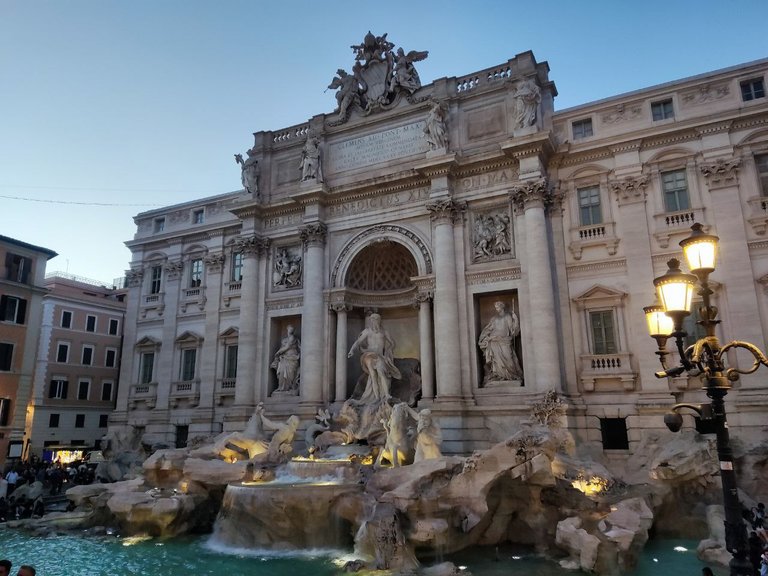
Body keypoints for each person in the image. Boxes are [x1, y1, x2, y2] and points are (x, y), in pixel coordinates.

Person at [348, 313, 401, 404]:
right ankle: (377, 398)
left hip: (379, 356)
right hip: (368, 355)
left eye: (376, 319)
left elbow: (392, 343)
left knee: (381, 372)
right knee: (373, 375)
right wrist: (351, 350)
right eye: (373, 319)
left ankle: (386, 395)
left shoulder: (384, 332)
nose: (374, 321)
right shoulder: (367, 331)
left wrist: (389, 350)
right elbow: (358, 342)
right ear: (371, 321)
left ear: (379, 321)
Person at [478, 301, 523, 383]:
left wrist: (515, 319)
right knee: (496, 361)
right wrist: (485, 337)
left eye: (498, 307)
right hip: (494, 341)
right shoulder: (494, 318)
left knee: (509, 359)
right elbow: (489, 329)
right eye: (496, 308)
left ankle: (512, 375)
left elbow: (512, 330)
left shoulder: (508, 317)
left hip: (505, 341)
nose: (496, 309)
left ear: (502, 307)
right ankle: (499, 375)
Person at [271, 325, 301, 392]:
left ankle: (291, 387)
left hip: (293, 357)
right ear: (287, 330)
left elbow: (287, 347)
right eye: (290, 329)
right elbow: (282, 347)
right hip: (285, 358)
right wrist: (279, 354)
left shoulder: (292, 338)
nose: (291, 330)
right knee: (281, 371)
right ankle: (281, 387)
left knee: (291, 373)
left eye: (292, 329)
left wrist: (278, 353)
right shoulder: (284, 339)